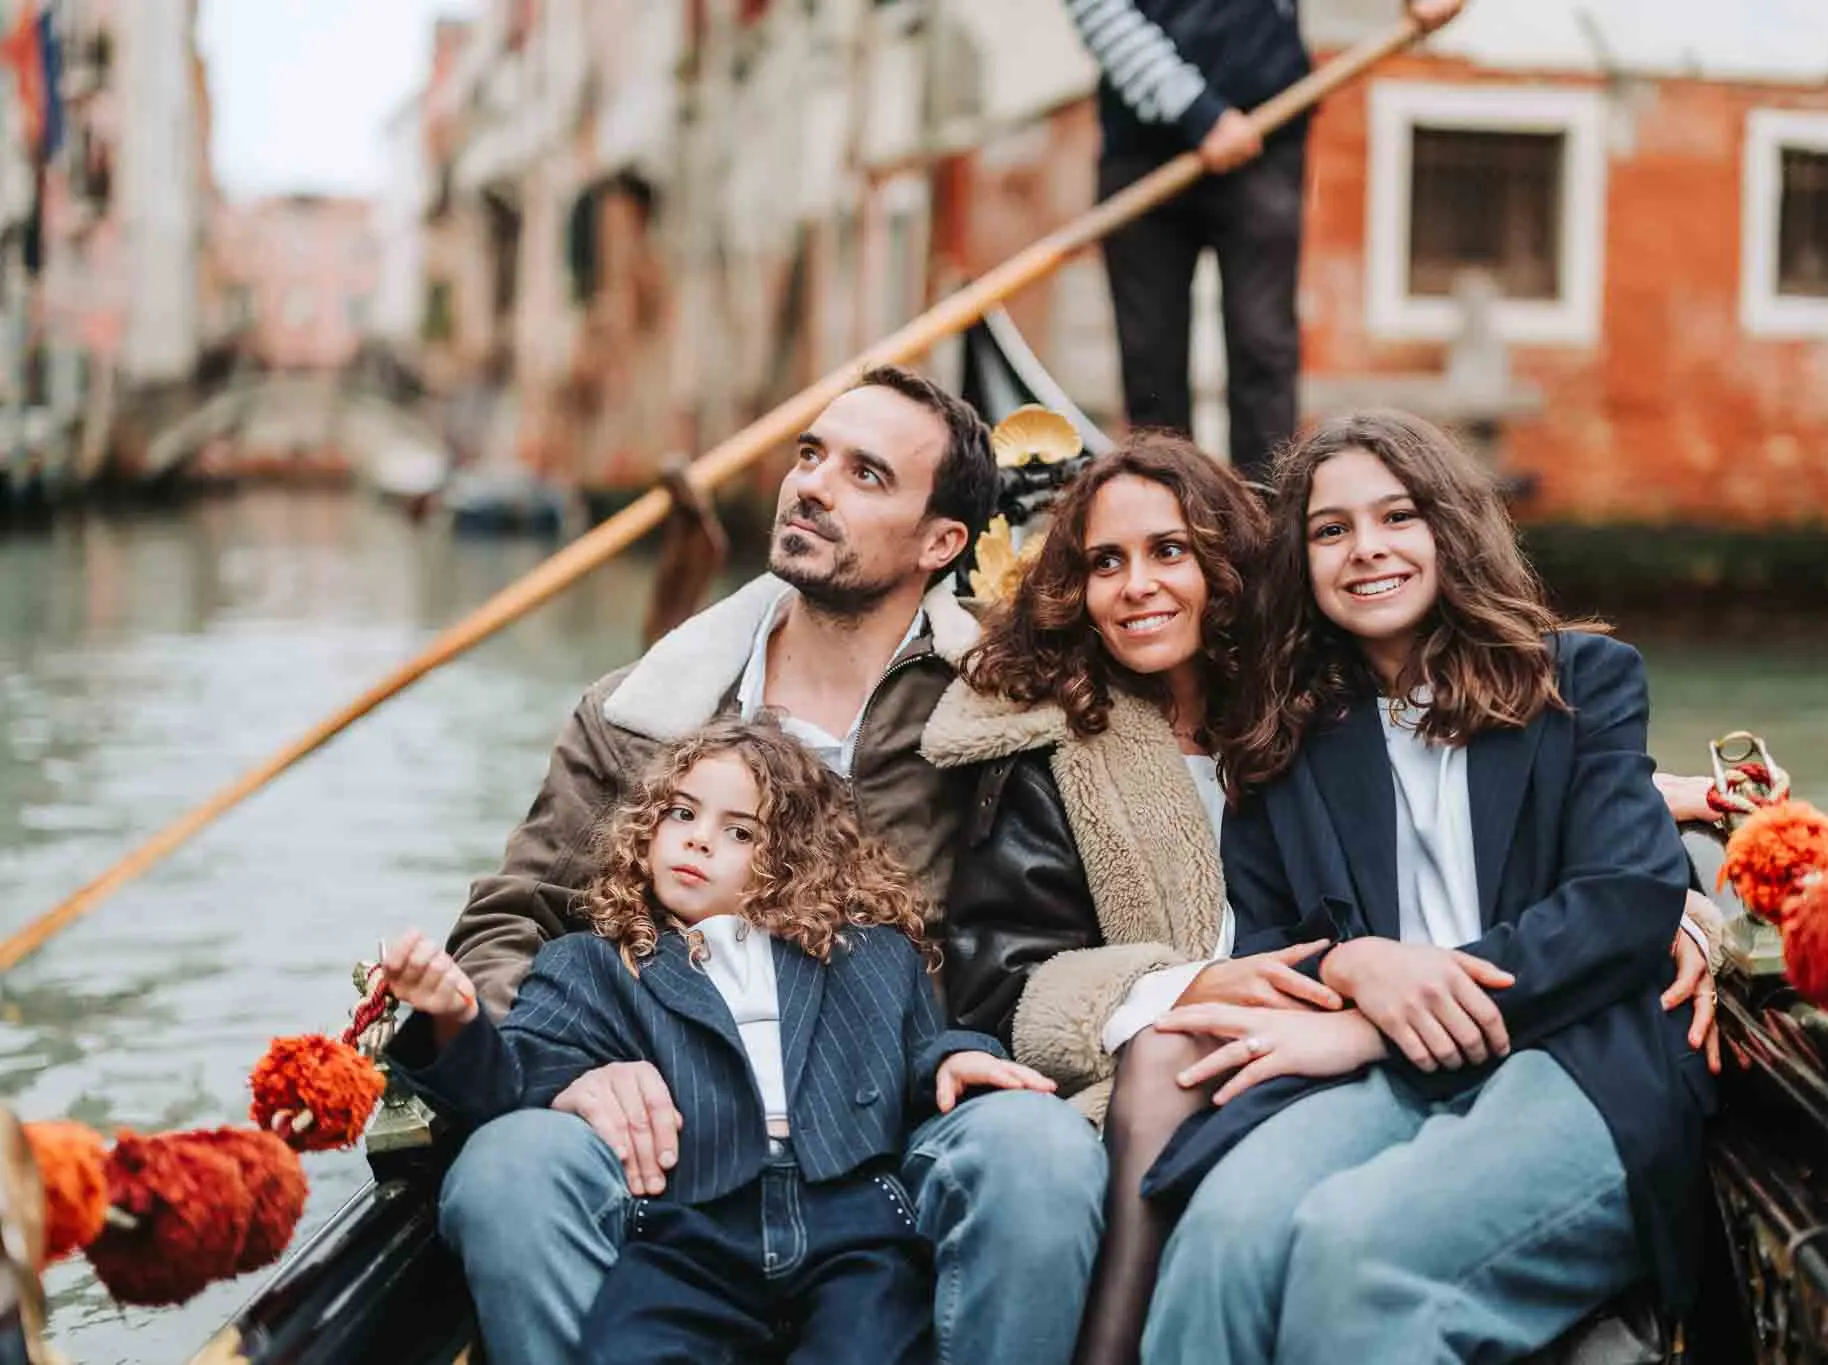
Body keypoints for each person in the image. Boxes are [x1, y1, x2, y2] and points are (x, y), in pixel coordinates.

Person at [926, 430, 1725, 1365]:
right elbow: (1274, 931)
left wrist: (1689, 906)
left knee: (1351, 1256)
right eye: (1332, 529)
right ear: (1298, 562)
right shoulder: (1296, 728)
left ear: (1453, 528)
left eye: (1398, 516)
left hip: (1569, 1054)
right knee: (1220, 1239)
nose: (1368, 548)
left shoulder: (1582, 679)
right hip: (1379, 1071)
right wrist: (1350, 961)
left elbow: (1622, 894)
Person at [390, 365, 1107, 1365]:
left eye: (865, 475)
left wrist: (959, 1055)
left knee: (1040, 1157)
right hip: (669, 1129)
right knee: (511, 1167)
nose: (811, 484)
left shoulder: (996, 718)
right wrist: (571, 1073)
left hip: (893, 1118)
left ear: (941, 542)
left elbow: (1043, 940)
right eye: (808, 454)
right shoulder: (637, 713)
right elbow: (511, 925)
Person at [381, 722, 1052, 1364]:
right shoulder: (593, 963)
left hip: (857, 1220)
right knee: (626, 1349)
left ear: (792, 859)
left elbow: (919, 1054)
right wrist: (452, 1018)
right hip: (686, 1224)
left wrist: (960, 1055)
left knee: (871, 1346)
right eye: (681, 814)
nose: (698, 841)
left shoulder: (867, 954)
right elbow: (516, 1081)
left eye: (738, 831)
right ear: (646, 826)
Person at [1064, 0, 1462, 479]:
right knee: (1152, 367)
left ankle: (1270, 522)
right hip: (1141, 144)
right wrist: (1198, 112)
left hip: (1268, 124)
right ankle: (1166, 520)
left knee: (1263, 349)